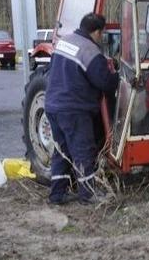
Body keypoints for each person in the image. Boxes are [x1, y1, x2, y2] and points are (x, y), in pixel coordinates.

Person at [44, 12, 119, 205]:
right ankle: (88, 195)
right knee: (83, 151)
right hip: (73, 109)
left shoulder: (64, 41)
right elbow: (105, 82)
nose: (101, 38)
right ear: (96, 32)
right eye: (101, 34)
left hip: (53, 105)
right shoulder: (90, 51)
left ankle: (57, 194)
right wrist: (117, 76)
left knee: (62, 150)